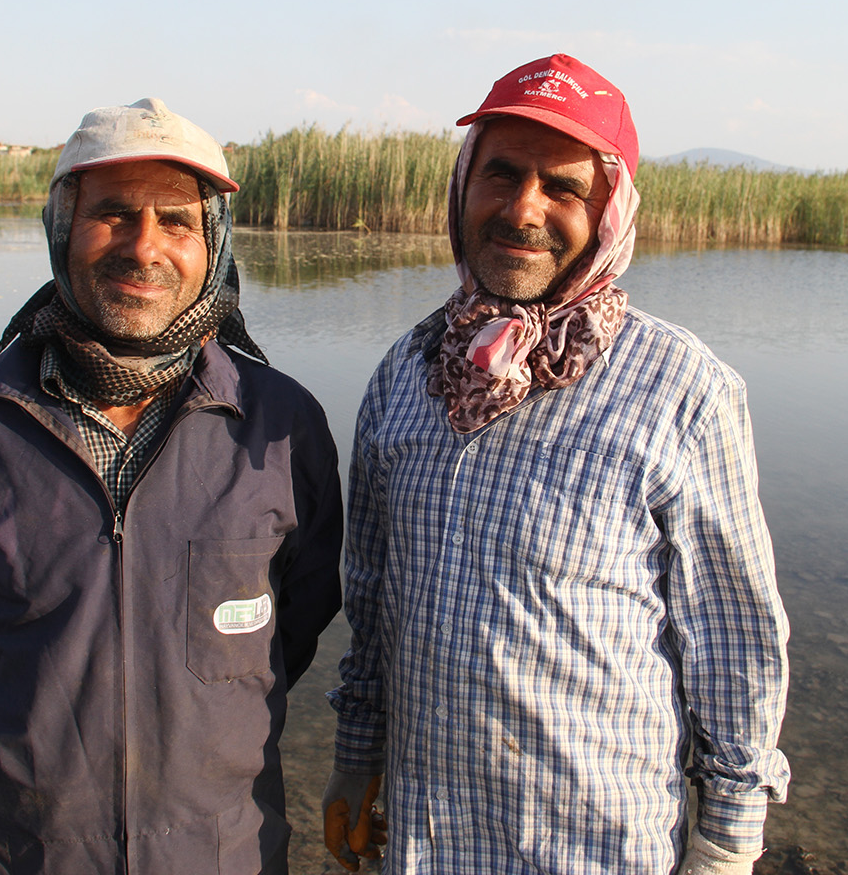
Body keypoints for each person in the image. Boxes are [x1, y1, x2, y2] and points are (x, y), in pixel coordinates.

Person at [323, 55, 790, 875]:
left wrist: (726, 842)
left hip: (597, 849)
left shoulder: (682, 388)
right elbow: (370, 598)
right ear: (464, 187)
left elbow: (733, 637)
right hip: (426, 842)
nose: (523, 208)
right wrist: (356, 758)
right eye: (500, 173)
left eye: (563, 187)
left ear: (609, 211)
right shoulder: (406, 372)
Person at [0, 98, 343, 875]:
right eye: (112, 214)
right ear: (62, 229)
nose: (144, 247)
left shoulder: (281, 423)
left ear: (214, 245)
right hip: (22, 855)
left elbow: (296, 626)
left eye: (176, 221)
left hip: (226, 854)